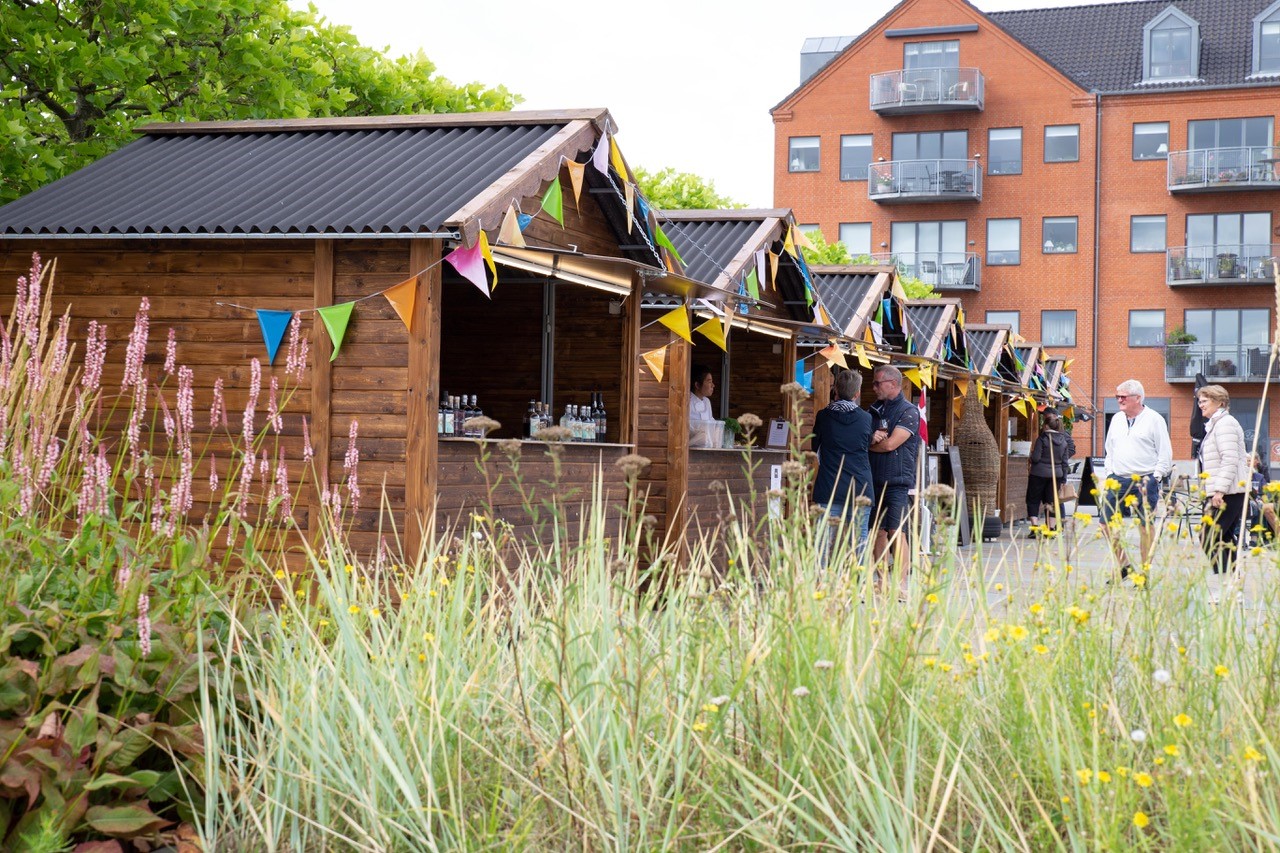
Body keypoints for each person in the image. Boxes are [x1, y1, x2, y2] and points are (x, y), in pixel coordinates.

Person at [1099, 379, 1173, 576]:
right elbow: (1110, 449)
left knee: (1145, 528)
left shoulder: (1155, 419)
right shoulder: (1116, 419)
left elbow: (1165, 452)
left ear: (1138, 398)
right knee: (1105, 523)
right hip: (1117, 478)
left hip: (1145, 479)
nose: (1119, 400)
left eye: (1123, 396)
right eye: (1117, 396)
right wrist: (1109, 473)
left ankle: (1145, 573)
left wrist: (1156, 477)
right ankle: (1124, 565)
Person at [812, 369, 874, 564]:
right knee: (859, 540)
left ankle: (819, 586)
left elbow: (816, 447)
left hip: (829, 485)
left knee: (822, 540)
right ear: (857, 394)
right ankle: (859, 588)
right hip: (860, 487)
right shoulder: (866, 418)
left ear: (835, 390)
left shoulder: (823, 416)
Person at [867, 365, 921, 572]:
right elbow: (864, 438)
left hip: (897, 482)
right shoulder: (872, 411)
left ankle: (902, 584)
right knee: (877, 532)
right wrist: (870, 440)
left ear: (893, 384)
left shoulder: (908, 411)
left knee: (896, 531)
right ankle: (881, 580)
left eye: (877, 383)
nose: (874, 388)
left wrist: (870, 444)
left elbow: (891, 444)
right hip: (874, 480)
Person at [1196, 385, 1248, 574]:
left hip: (1228, 492)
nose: (1200, 405)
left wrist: (1219, 490)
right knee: (1223, 538)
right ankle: (1232, 584)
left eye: (1204, 401)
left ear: (1220, 402)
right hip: (1225, 491)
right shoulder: (1216, 425)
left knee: (1208, 536)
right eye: (1199, 401)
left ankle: (1225, 581)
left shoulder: (1225, 424)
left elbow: (1229, 458)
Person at [1026, 409, 1075, 536]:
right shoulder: (1063, 440)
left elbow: (1036, 458)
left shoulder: (1042, 438)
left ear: (1046, 425)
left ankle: (1035, 528)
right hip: (1056, 475)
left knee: (1033, 500)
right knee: (1052, 502)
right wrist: (1063, 479)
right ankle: (1051, 529)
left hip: (1038, 474)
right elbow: (1065, 462)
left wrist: (1031, 456)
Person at [1246, 453, 1278, 541]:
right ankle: (1260, 537)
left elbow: (1266, 486)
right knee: (1262, 507)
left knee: (1263, 507)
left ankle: (1264, 536)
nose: (1248, 463)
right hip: (1252, 499)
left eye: (1250, 460)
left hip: (1261, 497)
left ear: (1256, 460)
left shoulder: (1261, 472)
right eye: (1247, 461)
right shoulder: (1243, 474)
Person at [689, 365, 715, 448]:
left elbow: (712, 424)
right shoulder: (686, 401)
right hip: (690, 448)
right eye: (709, 382)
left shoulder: (707, 402)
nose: (713, 385)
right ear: (697, 385)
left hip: (706, 447)